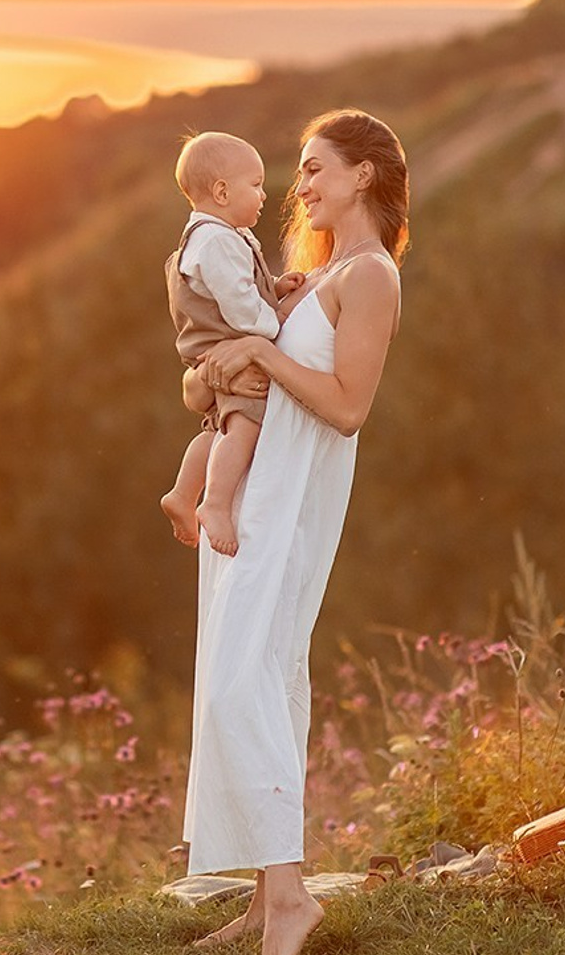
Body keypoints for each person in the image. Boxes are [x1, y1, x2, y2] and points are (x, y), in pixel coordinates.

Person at [180, 108, 407, 955]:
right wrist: (214, 375)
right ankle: (262, 897)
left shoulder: (372, 277)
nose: (300, 184)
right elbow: (232, 381)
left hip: (289, 507)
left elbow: (347, 407)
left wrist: (264, 358)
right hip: (251, 499)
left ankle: (288, 902)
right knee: (249, 681)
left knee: (247, 682)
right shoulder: (307, 277)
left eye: (316, 168)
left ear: (364, 176)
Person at [161, 132, 306, 556]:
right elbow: (242, 309)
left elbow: (238, 288)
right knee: (247, 423)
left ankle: (182, 494)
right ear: (222, 192)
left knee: (218, 427)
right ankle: (216, 503)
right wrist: (275, 321)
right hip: (224, 347)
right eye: (255, 185)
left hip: (212, 353)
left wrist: (275, 287)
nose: (264, 195)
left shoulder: (219, 236)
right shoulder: (218, 240)